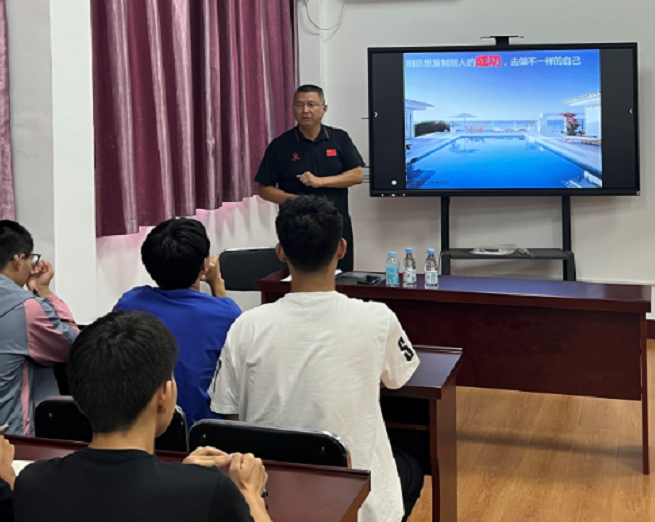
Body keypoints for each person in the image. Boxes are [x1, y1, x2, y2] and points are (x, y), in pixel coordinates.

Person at [209, 196, 423, 522]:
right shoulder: (378, 318)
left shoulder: (246, 325)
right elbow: (397, 379)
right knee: (412, 467)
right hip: (357, 501)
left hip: (267, 496)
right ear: (341, 248)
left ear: (281, 252)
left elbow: (229, 412)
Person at [14, 311, 272, 522]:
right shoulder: (211, 491)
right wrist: (250, 496)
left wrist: (183, 477)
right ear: (164, 395)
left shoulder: (32, 483)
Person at [114, 218, 241, 426]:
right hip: (202, 432)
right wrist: (217, 284)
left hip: (141, 427)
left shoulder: (129, 303)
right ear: (204, 265)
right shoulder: (226, 313)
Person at [255, 84, 364, 272]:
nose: (305, 110)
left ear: (324, 109)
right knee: (299, 277)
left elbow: (356, 175)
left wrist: (320, 181)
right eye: (299, 105)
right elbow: (264, 189)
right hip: (297, 225)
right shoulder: (280, 145)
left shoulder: (339, 138)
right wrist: (297, 200)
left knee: (341, 276)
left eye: (311, 104)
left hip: (335, 223)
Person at [0, 220, 79, 436]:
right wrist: (43, 291)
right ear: (18, 260)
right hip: (12, 440)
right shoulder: (26, 309)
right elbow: (73, 344)